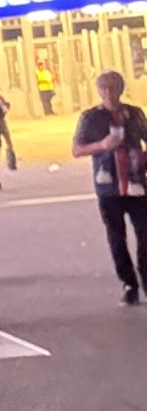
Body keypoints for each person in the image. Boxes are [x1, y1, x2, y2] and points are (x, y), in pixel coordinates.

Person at [71, 70, 147, 305]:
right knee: (116, 238)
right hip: (109, 188)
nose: (107, 93)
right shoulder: (91, 118)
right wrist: (102, 145)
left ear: (121, 89)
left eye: (112, 87)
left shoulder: (134, 114)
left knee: (145, 235)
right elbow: (77, 149)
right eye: (103, 88)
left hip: (136, 185)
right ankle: (129, 283)